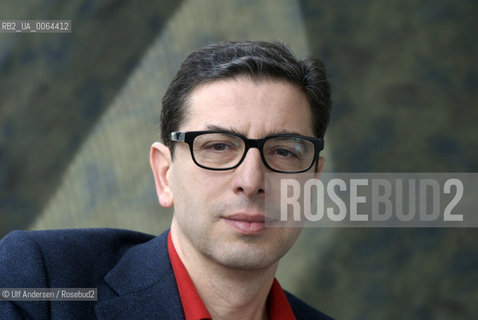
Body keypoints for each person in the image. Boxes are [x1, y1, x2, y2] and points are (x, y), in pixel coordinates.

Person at [0, 41, 333, 319]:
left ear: (312, 182)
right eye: (218, 146)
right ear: (165, 174)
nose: (251, 180)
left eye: (284, 153)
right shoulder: (43, 284)